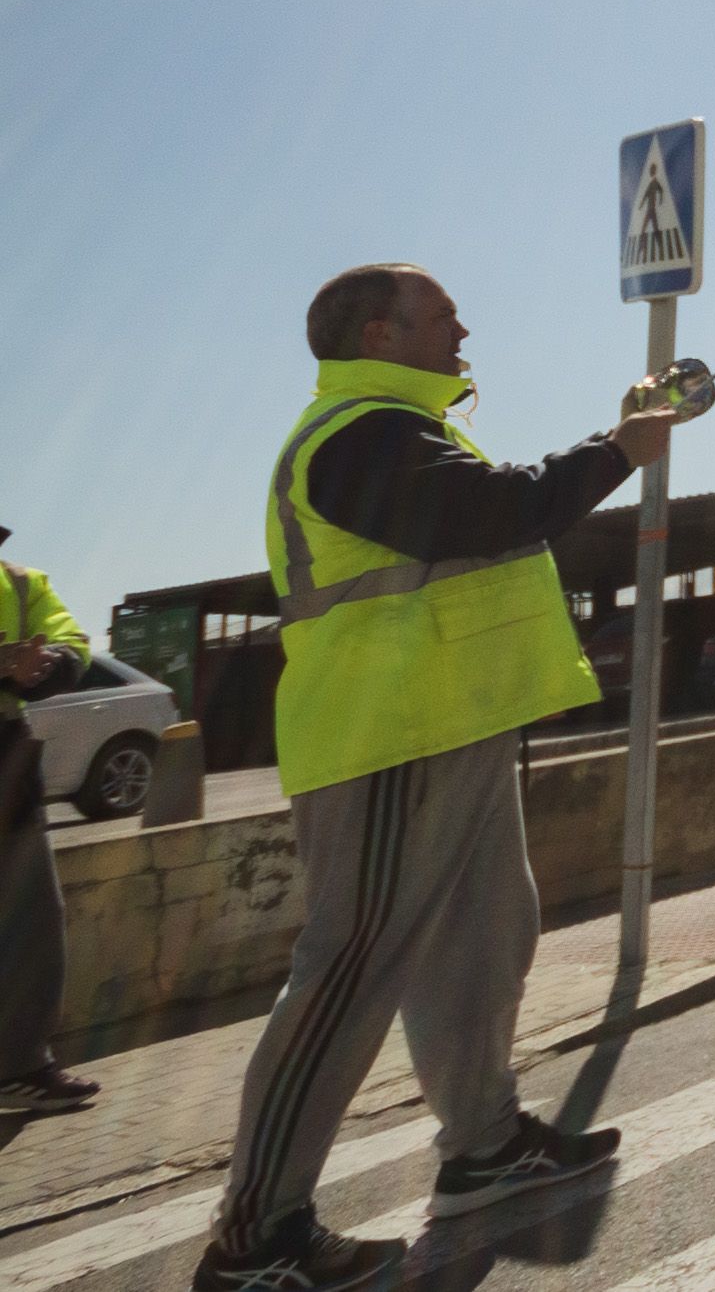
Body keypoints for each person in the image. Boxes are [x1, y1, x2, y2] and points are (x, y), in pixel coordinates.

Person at [194, 265, 676, 1292]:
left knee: (489, 931)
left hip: (447, 725)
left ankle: (485, 1147)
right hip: (387, 736)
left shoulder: (397, 428)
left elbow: (475, 521)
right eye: (442, 313)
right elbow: (489, 513)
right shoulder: (355, 430)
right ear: (380, 329)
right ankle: (253, 1237)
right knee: (349, 972)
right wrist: (617, 449)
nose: (464, 326)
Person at [0, 530, 98, 1118]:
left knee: (33, 921)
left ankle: (19, 1066)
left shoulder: (20, 583)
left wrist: (45, 665)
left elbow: (72, 644)